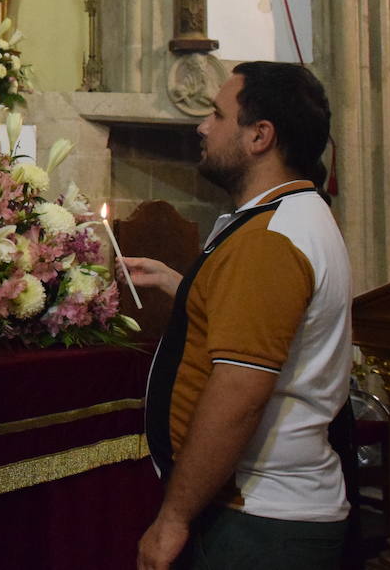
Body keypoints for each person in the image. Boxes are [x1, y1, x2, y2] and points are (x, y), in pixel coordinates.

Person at [123, 62, 351, 570]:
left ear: (259, 136)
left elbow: (238, 395)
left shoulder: (269, 240)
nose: (202, 126)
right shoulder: (286, 217)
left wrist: (173, 519)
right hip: (264, 513)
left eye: (216, 114)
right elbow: (260, 318)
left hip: (258, 522)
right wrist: (177, 284)